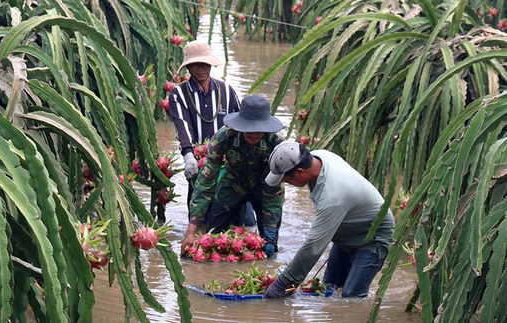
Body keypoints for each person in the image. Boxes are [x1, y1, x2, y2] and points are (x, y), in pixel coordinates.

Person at [262, 141, 395, 298]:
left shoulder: (333, 195)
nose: (286, 183)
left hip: (373, 237)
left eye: (285, 179)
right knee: (329, 288)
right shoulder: (320, 157)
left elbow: (313, 245)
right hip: (347, 231)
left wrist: (283, 283)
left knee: (351, 297)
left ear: (299, 172)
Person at [180, 95, 285, 258]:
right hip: (231, 185)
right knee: (212, 236)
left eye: (259, 129)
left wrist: (270, 234)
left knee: (269, 247)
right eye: (249, 128)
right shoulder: (224, 138)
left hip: (265, 188)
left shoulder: (276, 144)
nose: (254, 133)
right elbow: (206, 182)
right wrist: (191, 230)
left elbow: (276, 190)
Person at [168, 40, 254, 225]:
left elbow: (239, 125)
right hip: (199, 163)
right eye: (196, 64)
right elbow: (182, 126)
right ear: (188, 67)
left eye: (205, 63)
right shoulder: (179, 94)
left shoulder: (227, 91)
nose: (201, 68)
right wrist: (189, 155)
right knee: (200, 220)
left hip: (229, 163)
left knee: (244, 222)